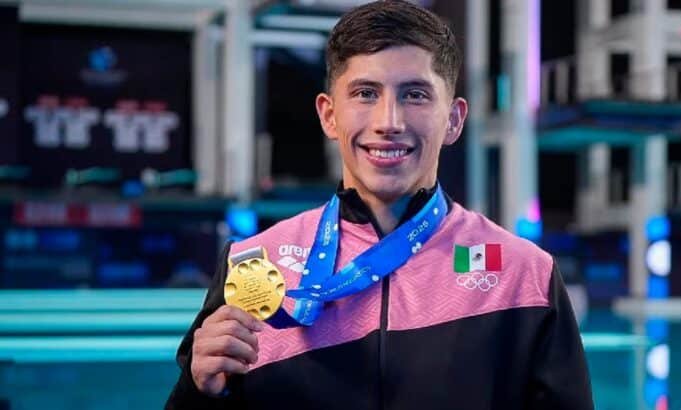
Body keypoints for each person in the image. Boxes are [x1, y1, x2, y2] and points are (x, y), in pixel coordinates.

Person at [166, 1, 593, 409]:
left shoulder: (523, 275)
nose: (389, 121)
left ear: (453, 120)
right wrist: (200, 392)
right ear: (329, 115)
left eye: (415, 95)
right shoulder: (252, 265)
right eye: (366, 93)